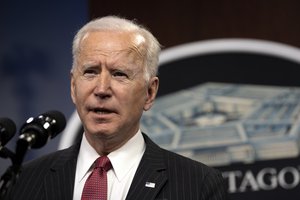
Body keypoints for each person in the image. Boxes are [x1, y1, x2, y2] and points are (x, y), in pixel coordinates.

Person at [4, 15, 228, 200]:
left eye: (119, 74)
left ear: (149, 93)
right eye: (90, 71)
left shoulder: (199, 186)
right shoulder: (23, 183)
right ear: (73, 87)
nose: (101, 89)